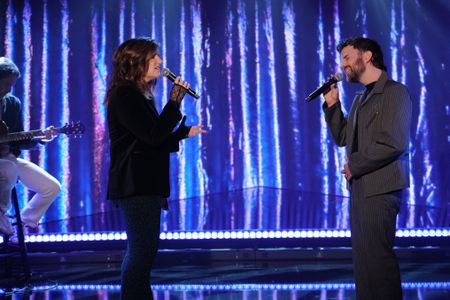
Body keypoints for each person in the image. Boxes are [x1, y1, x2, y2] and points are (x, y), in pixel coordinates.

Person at [105, 37, 206, 300]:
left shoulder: (139, 94)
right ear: (135, 61)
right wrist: (174, 103)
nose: (160, 61)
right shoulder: (124, 95)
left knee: (145, 250)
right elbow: (151, 137)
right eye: (153, 57)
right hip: (135, 182)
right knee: (141, 250)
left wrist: (182, 132)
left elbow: (152, 138)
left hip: (145, 181)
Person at [322, 37, 411, 299]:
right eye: (342, 60)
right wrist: (332, 104)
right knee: (364, 266)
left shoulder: (395, 92)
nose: (343, 64)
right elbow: (343, 136)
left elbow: (393, 142)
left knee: (378, 263)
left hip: (381, 189)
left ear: (368, 56)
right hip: (361, 191)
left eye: (348, 57)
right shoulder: (362, 98)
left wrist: (354, 165)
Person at [0, 57, 61, 237]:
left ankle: (19, 222)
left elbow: (19, 138)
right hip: (6, 165)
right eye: (5, 84)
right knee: (9, 169)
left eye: (11, 85)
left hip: (7, 159)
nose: (8, 89)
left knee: (51, 187)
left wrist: (41, 138)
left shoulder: (12, 103)